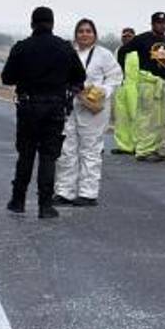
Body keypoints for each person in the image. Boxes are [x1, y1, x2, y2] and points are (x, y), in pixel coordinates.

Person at [0, 6, 87, 219]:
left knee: (26, 154)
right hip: (55, 108)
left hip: (29, 107)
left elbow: (7, 78)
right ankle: (45, 205)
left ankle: (18, 201)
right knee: (49, 157)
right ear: (52, 23)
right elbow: (80, 77)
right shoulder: (64, 48)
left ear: (32, 24)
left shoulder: (21, 48)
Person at [54, 19, 123, 206]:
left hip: (93, 107)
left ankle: (88, 192)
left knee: (90, 149)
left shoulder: (104, 55)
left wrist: (102, 92)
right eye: (81, 31)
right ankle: (64, 191)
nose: (84, 34)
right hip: (70, 105)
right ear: (76, 34)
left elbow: (115, 77)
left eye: (88, 31)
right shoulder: (69, 53)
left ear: (95, 34)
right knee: (66, 148)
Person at [123, 12, 165, 162]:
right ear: (152, 24)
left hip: (162, 83)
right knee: (146, 117)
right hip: (147, 82)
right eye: (159, 23)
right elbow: (123, 51)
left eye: (164, 23)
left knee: (159, 118)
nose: (162, 26)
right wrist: (124, 71)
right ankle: (143, 150)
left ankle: (154, 148)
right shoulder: (142, 39)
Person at [111, 27, 139, 154]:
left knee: (135, 116)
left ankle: (137, 145)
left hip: (135, 86)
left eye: (129, 36)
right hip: (121, 86)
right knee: (121, 118)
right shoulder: (118, 51)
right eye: (124, 36)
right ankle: (124, 145)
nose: (126, 38)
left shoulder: (139, 51)